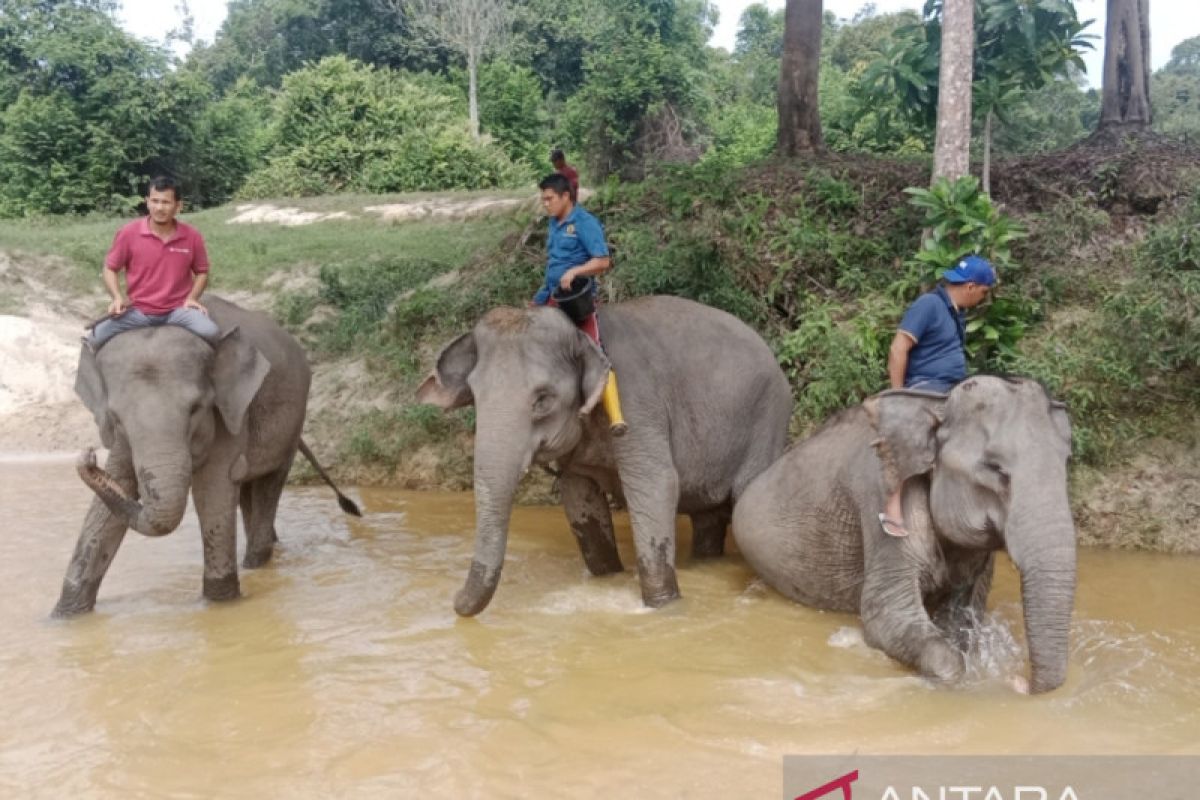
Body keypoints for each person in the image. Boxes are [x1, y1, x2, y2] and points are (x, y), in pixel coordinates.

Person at [878, 254, 997, 537]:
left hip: (955, 389)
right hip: (926, 387)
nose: (982, 299)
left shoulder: (956, 313)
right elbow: (898, 348)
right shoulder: (929, 305)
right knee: (914, 438)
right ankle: (893, 505)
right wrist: (899, 395)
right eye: (983, 292)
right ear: (970, 286)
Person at [535, 172, 626, 434]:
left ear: (566, 196)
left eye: (550, 199)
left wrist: (575, 272)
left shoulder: (585, 223)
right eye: (543, 199)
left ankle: (616, 417)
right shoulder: (554, 223)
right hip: (552, 295)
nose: (546, 204)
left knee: (594, 351)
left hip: (577, 299)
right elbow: (554, 262)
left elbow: (603, 261)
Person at [86, 176, 219, 351]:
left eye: (166, 202)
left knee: (211, 332)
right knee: (94, 338)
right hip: (138, 310)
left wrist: (192, 298)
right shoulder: (128, 233)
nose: (159, 208)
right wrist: (117, 297)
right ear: (147, 202)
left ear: (178, 206)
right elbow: (110, 268)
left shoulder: (192, 236)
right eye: (154, 201)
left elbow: (202, 271)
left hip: (178, 310)